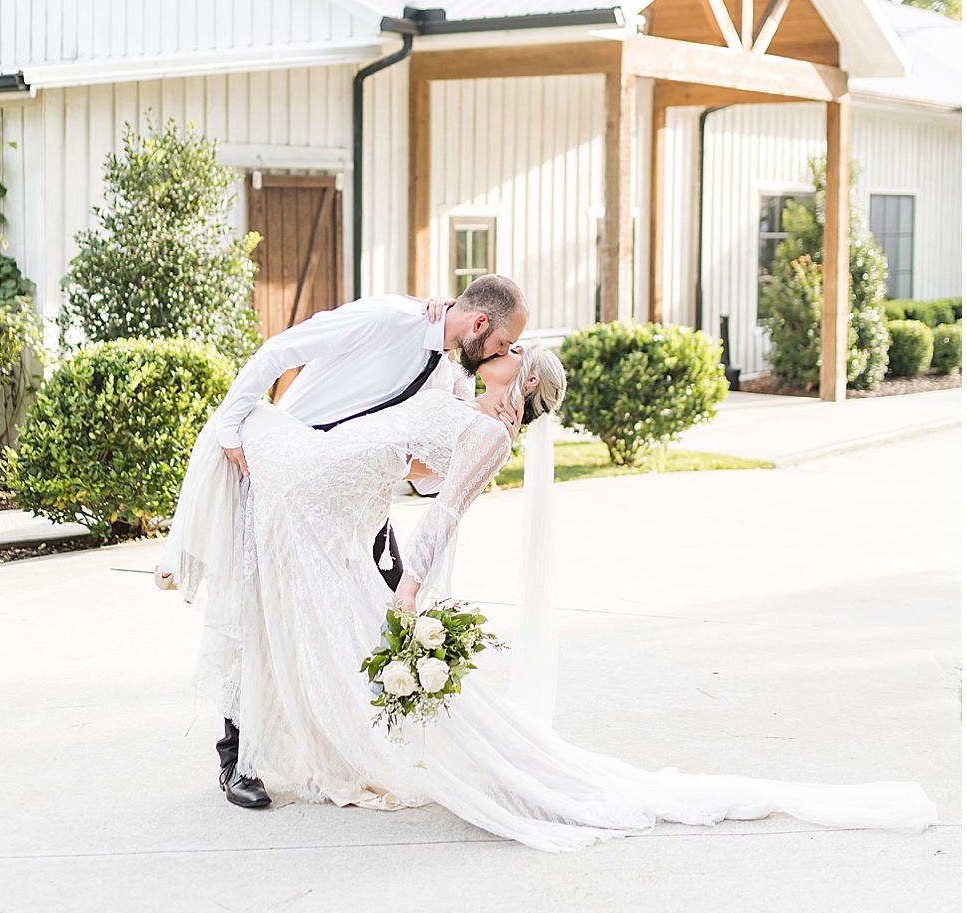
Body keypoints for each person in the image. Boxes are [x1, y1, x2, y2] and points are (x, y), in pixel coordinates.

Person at [161, 341, 937, 849]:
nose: (501, 355)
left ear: (525, 378)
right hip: (327, 501)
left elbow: (444, 508)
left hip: (341, 516)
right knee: (284, 620)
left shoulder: (489, 431)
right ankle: (249, 737)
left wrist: (411, 588)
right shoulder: (454, 389)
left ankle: (254, 740)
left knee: (311, 630)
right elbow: (401, 455)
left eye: (513, 354)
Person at [161, 274, 528, 806]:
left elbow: (421, 477)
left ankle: (381, 739)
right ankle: (237, 761)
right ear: (477, 324)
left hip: (350, 505)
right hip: (282, 477)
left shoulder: (453, 376)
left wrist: (477, 451)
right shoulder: (388, 319)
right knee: (255, 613)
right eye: (500, 343)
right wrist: (230, 427)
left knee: (379, 619)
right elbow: (280, 349)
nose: (502, 352)